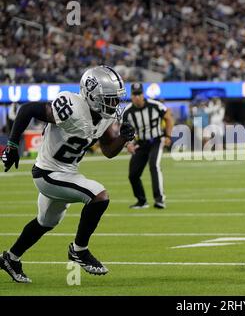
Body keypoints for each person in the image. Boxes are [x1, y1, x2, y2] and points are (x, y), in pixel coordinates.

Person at [0, 66, 135, 283]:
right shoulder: (71, 107)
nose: (114, 104)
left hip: (66, 172)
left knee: (46, 222)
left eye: (115, 99)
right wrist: (13, 144)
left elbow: (109, 151)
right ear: (91, 95)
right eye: (109, 99)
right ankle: (79, 250)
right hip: (48, 172)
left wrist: (122, 138)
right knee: (98, 195)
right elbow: (27, 109)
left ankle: (11, 258)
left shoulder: (104, 117)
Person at [123, 83, 174, 209]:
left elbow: (168, 117)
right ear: (131, 96)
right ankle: (141, 201)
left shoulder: (155, 105)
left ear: (143, 94)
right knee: (133, 174)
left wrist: (168, 136)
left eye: (139, 94)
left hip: (156, 140)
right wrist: (128, 144)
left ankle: (159, 199)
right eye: (134, 94)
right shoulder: (128, 111)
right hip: (140, 143)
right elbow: (124, 131)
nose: (137, 97)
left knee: (154, 166)